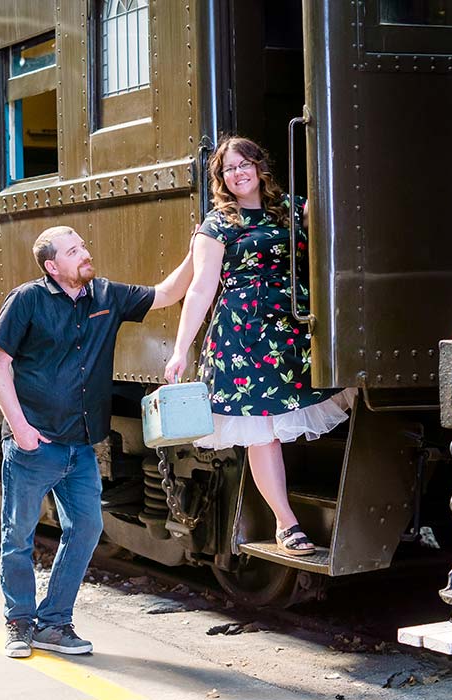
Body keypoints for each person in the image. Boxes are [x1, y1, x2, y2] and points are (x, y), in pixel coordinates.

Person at [0, 225, 193, 659]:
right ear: (52, 265)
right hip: (34, 445)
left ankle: (55, 623)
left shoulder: (105, 295)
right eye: (74, 250)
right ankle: (19, 623)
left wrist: (199, 248)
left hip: (81, 447)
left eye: (83, 246)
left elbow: (166, 293)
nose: (85, 253)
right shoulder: (27, 300)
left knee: (86, 529)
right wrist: (21, 430)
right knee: (18, 536)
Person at [164, 136, 354, 557]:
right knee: (262, 433)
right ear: (222, 179)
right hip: (243, 337)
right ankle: (287, 524)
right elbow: (200, 289)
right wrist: (181, 349)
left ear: (259, 165)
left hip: (294, 331)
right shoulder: (216, 225)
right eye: (228, 169)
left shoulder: (290, 208)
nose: (238, 173)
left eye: (244, 164)